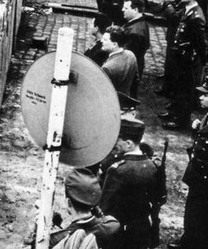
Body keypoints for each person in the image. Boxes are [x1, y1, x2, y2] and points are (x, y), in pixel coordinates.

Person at [99, 118, 160, 249]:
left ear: (128, 143)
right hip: (142, 231)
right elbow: (158, 198)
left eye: (117, 141)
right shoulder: (153, 166)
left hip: (118, 233)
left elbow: (105, 206)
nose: (115, 144)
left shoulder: (118, 170)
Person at [160, 0, 207, 130]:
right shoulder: (187, 10)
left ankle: (181, 120)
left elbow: (201, 43)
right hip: (180, 56)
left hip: (188, 60)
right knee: (177, 85)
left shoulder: (196, 17)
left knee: (185, 90)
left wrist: (202, 61)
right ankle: (173, 112)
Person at [169, 83, 208, 248]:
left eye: (205, 95)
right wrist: (197, 129)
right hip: (198, 174)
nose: (201, 97)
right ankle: (188, 240)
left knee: (200, 213)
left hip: (204, 178)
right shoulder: (206, 116)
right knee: (193, 211)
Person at [49, 168, 120, 249]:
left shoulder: (57, 239)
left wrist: (38, 224)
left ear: (68, 202)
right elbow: (108, 221)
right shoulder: (111, 227)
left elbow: (35, 244)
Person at [121, 0, 150, 99]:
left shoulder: (135, 33)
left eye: (126, 8)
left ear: (135, 9)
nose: (122, 10)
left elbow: (126, 57)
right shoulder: (140, 24)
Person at [100, 25, 138, 99]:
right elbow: (135, 80)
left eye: (105, 39)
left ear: (114, 44)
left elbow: (102, 91)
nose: (101, 41)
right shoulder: (131, 55)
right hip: (125, 99)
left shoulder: (107, 68)